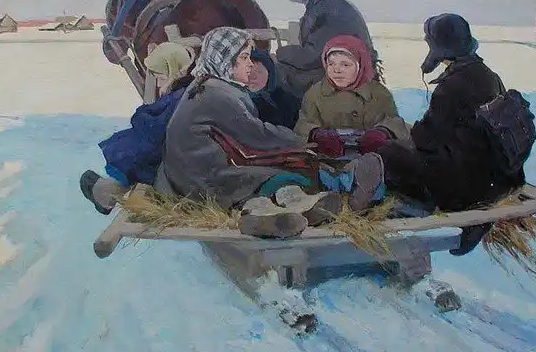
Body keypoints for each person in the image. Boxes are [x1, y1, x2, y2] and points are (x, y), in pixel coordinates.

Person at [162, 27, 385, 238]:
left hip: (193, 175)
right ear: (225, 61)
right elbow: (256, 134)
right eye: (244, 58)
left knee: (277, 170)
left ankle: (278, 211)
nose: (250, 65)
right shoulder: (218, 95)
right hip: (208, 178)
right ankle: (324, 194)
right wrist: (299, 140)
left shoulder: (204, 88)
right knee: (282, 171)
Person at [377, 13, 535, 256]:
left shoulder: (452, 86)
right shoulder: (489, 76)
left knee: (388, 154)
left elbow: (424, 139)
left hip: (467, 186)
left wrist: (404, 135)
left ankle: (448, 211)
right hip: (501, 180)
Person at [79, 42, 196, 215]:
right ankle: (110, 191)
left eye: (160, 77)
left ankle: (108, 194)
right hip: (176, 153)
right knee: (132, 145)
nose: (158, 83)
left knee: (133, 150)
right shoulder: (187, 92)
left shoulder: (176, 98)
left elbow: (157, 126)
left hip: (170, 159)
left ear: (172, 70)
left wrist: (142, 115)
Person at [274, 0, 378, 99]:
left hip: (340, 80)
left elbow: (312, 56)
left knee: (276, 74)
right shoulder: (338, 5)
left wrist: (281, 53)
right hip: (350, 74)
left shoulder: (325, 11)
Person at [293, 35, 409, 158]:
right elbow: (303, 124)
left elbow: (394, 121)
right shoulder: (315, 94)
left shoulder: (379, 93)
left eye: (345, 65)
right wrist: (316, 134)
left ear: (360, 65)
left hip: (373, 160)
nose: (337, 70)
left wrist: (383, 132)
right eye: (331, 64)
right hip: (326, 160)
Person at [245, 48, 302, 129]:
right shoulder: (242, 103)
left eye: (259, 72)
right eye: (248, 72)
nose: (253, 77)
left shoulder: (286, 98)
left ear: (270, 73)